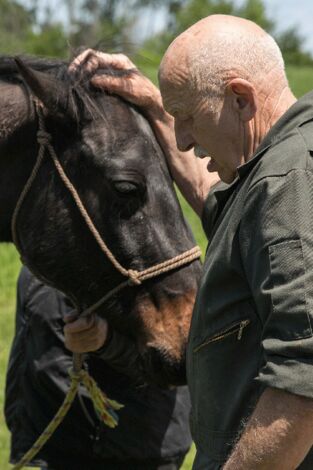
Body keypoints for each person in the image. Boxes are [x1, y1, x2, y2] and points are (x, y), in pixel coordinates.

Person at [67, 14, 313, 469]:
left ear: (240, 99)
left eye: (188, 118)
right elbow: (223, 209)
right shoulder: (280, 161)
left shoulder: (288, 180)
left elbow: (306, 373)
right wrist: (154, 105)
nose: (182, 140)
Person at [5, 267, 191, 470]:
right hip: (65, 441)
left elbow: (174, 359)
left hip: (133, 445)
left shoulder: (143, 249)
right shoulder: (47, 247)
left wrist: (109, 341)